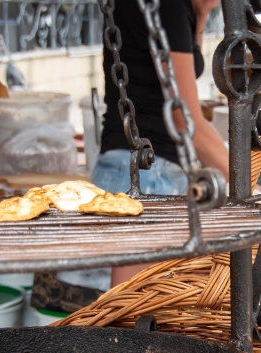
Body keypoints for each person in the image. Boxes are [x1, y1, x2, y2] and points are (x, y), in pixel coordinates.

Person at [93, 0, 228, 285]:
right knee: (129, 316)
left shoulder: (173, 9)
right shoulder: (167, 6)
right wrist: (244, 182)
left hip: (134, 166)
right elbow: (187, 122)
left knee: (130, 314)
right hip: (145, 173)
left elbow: (187, 70)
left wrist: (201, 15)